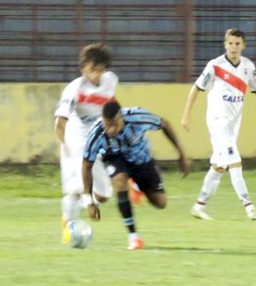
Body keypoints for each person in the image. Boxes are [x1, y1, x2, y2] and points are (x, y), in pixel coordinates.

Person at [181, 28, 256, 221]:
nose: (233, 47)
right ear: (225, 45)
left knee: (219, 165)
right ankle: (249, 207)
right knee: (235, 161)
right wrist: (186, 115)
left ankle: (199, 205)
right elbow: (196, 89)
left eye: (237, 44)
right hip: (217, 122)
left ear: (243, 45)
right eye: (230, 43)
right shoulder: (215, 66)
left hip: (233, 124)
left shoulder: (248, 67)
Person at [81, 100, 190, 249]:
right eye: (107, 125)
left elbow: (165, 124)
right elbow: (86, 165)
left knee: (160, 203)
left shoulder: (137, 117)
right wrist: (89, 201)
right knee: (119, 181)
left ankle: (135, 184)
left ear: (121, 117)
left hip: (141, 160)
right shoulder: (97, 133)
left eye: (113, 124)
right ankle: (133, 237)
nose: (110, 130)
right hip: (115, 158)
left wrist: (182, 154)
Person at [54, 43, 117, 242]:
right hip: (76, 138)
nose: (95, 74)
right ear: (84, 69)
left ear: (105, 69)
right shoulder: (75, 88)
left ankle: (73, 210)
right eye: (91, 70)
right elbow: (59, 122)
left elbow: (111, 106)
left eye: (99, 70)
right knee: (76, 188)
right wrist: (65, 146)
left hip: (97, 137)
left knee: (104, 194)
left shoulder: (110, 81)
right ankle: (69, 229)